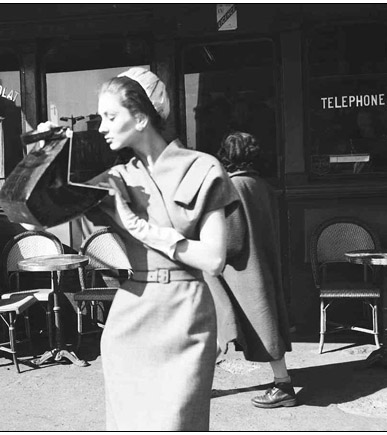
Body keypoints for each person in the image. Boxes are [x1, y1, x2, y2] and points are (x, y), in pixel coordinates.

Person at [69, 67, 239, 430]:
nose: (101, 126)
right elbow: (34, 215)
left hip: (186, 315)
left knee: (177, 422)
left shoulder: (202, 167)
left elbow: (213, 259)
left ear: (142, 117)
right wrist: (39, 158)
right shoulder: (116, 179)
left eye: (110, 116)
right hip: (131, 318)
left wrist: (140, 228)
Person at [211, 131, 296, 408]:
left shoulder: (231, 187)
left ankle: (284, 386)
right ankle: (281, 381)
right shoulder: (260, 184)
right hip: (263, 262)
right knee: (265, 320)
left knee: (219, 322)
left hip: (240, 269)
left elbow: (232, 240)